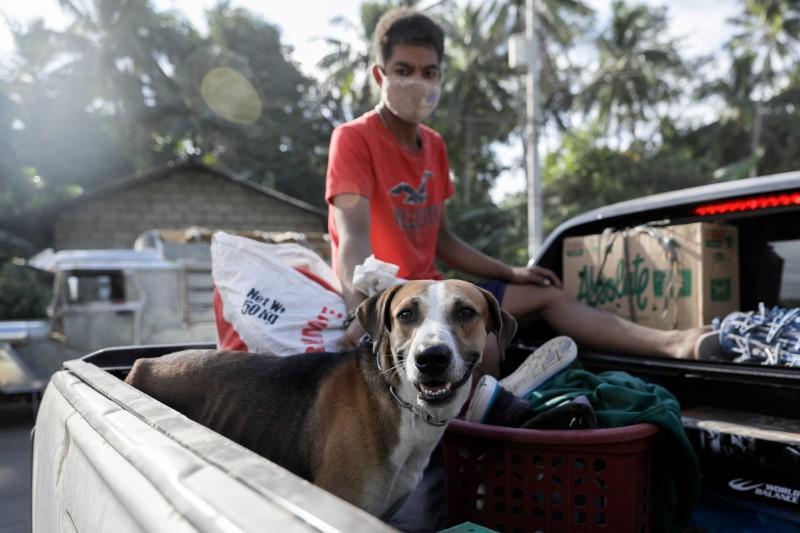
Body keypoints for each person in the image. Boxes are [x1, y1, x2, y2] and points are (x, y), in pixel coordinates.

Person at [325, 7, 706, 374]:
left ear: (440, 78)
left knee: (548, 297)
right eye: (403, 71)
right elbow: (352, 237)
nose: (417, 82)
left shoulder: (435, 145)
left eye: (429, 72)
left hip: (438, 289)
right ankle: (482, 429)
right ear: (380, 75)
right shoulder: (353, 139)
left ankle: (678, 343)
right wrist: (363, 312)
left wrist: (512, 272)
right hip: (398, 299)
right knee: (484, 343)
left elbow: (443, 239)